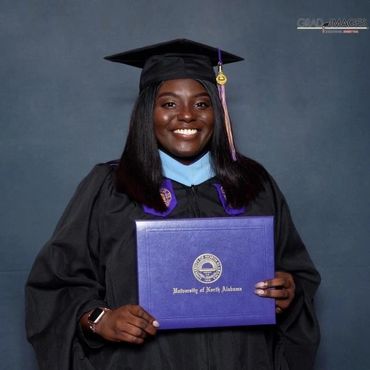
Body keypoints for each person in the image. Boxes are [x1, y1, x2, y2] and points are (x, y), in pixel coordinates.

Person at [26, 39, 320, 370]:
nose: (185, 116)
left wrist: (288, 289)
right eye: (168, 104)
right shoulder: (109, 189)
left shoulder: (254, 184)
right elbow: (57, 286)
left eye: (201, 104)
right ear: (146, 112)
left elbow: (297, 273)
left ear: (217, 112)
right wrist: (99, 319)